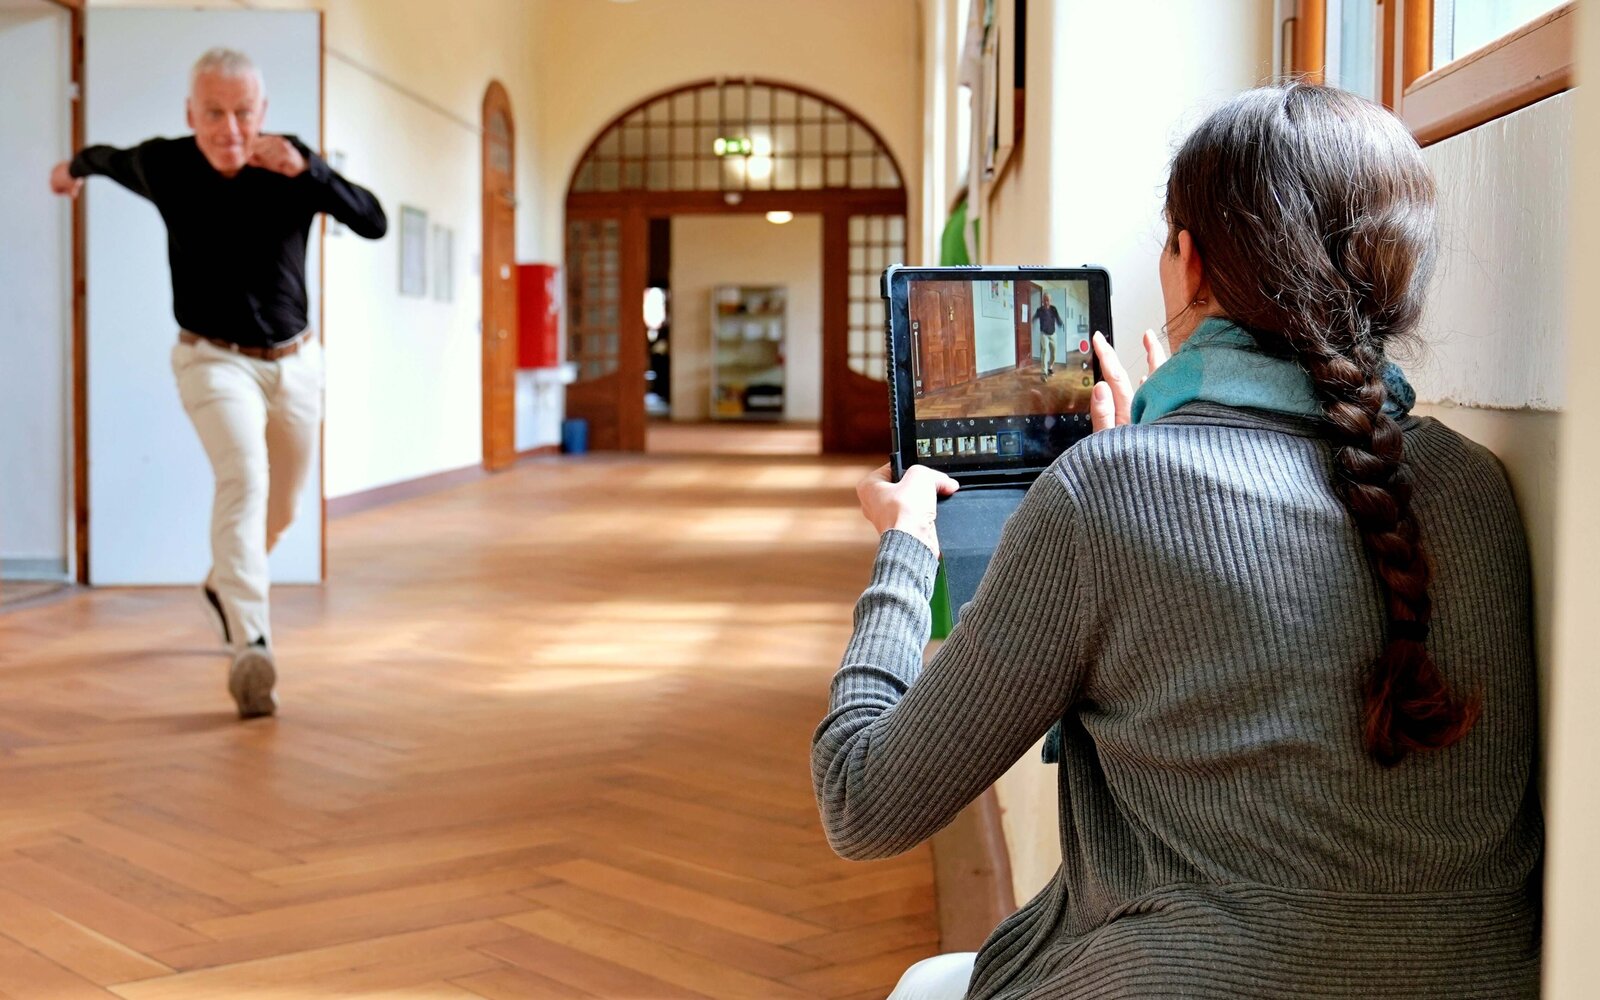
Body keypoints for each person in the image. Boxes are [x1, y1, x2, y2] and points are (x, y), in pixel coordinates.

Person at [813, 84, 1541, 999]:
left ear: (1189, 260)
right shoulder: (1475, 485)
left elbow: (864, 802)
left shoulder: (1104, 495)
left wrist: (906, 545)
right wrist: (1144, 455)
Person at [49, 48, 387, 719]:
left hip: (296, 363)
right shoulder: (164, 163)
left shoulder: (291, 163)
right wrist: (70, 170)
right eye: (213, 113)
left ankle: (219, 587)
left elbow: (371, 221)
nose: (229, 129)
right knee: (245, 477)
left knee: (284, 510)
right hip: (211, 359)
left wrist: (312, 170)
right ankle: (251, 643)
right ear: (190, 113)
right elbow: (106, 157)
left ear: (263, 112)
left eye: (242, 112)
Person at [1032, 292, 1063, 381]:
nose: (1046, 302)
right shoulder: (1039, 310)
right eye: (1045, 300)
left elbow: (1058, 318)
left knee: (1054, 354)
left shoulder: (1053, 309)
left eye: (1048, 300)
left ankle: (1050, 368)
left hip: (1053, 334)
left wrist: (1060, 323)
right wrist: (1032, 321)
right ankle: (1044, 373)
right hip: (1044, 334)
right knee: (1045, 350)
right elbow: (1034, 317)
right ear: (1042, 300)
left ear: (1050, 300)